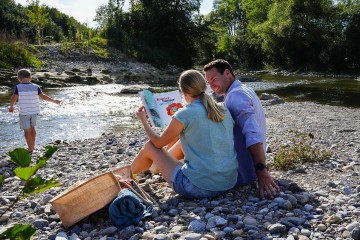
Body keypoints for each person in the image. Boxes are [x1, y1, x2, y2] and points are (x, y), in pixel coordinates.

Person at [131, 69, 238, 198]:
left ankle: (127, 175)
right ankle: (153, 167)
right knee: (183, 135)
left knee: (150, 146)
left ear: (183, 92)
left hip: (197, 187)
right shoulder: (222, 109)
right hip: (228, 182)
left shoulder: (185, 114)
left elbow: (157, 143)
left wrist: (143, 120)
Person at [203, 59, 280, 199]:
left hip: (243, 172)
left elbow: (252, 132)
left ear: (227, 73)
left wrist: (262, 171)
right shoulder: (244, 90)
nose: (211, 86)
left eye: (214, 79)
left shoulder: (237, 96)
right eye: (208, 82)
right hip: (248, 168)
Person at [9, 69, 61, 154]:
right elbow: (43, 97)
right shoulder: (36, 86)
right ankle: (33, 146)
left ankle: (30, 149)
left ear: (19, 78)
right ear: (30, 77)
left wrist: (11, 106)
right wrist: (54, 101)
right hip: (34, 112)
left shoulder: (18, 87)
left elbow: (14, 97)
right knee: (32, 129)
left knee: (27, 131)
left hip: (24, 112)